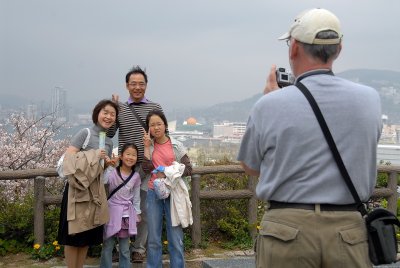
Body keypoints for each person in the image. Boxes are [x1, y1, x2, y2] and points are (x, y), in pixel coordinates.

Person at [237, 8, 382, 268]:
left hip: (285, 231)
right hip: (348, 231)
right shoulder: (369, 99)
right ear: (339, 49)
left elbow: (250, 166)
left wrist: (270, 99)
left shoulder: (269, 105)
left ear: (293, 48)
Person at [107, 65, 164, 263]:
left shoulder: (155, 107)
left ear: (146, 85)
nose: (137, 87)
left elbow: (163, 135)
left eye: (141, 84)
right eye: (133, 84)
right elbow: (109, 133)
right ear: (126, 86)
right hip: (125, 168)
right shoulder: (120, 107)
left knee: (145, 211)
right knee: (117, 205)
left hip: (147, 167)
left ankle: (138, 249)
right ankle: (114, 245)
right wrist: (113, 109)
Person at [57, 99, 119, 268]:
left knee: (86, 235)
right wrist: (93, 155)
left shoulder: (108, 142)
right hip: (77, 191)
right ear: (96, 114)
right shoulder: (85, 133)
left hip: (94, 192)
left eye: (112, 114)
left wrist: (107, 164)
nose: (108, 116)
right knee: (73, 236)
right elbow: (68, 161)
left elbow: (98, 169)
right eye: (105, 112)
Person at [142, 109, 193, 268]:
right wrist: (146, 147)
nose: (156, 128)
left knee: (175, 236)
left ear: (165, 125)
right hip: (153, 193)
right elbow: (146, 168)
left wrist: (167, 171)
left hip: (173, 193)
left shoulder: (176, 145)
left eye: (159, 124)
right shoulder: (149, 146)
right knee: (153, 238)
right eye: (152, 125)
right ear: (148, 128)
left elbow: (189, 168)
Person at [100, 143, 142, 268]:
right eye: (128, 154)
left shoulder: (135, 176)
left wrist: (137, 212)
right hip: (111, 213)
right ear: (121, 156)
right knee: (108, 246)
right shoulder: (113, 172)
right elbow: (104, 180)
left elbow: (136, 197)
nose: (130, 157)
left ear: (136, 158)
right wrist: (109, 166)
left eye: (133, 155)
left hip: (126, 215)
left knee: (124, 248)